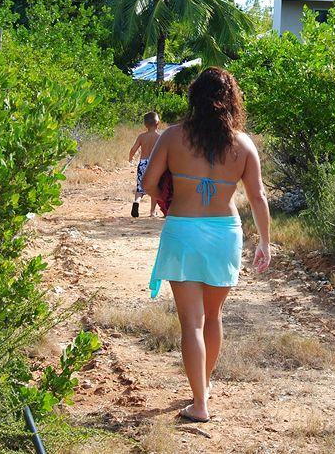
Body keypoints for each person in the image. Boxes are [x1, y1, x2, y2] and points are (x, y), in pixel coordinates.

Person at [142, 67, 272, 423]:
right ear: (232, 100)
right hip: (225, 232)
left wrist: (168, 199)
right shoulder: (243, 144)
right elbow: (258, 197)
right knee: (213, 317)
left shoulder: (172, 137)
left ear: (194, 97)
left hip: (183, 230)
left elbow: (149, 183)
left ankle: (199, 403)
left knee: (191, 323)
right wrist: (265, 241)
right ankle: (204, 388)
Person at [128, 112, 162, 218]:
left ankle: (136, 201)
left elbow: (133, 149)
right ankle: (152, 212)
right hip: (154, 164)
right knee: (154, 188)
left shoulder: (142, 136)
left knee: (140, 187)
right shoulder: (159, 137)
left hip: (142, 163)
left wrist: (131, 158)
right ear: (158, 123)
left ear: (145, 124)